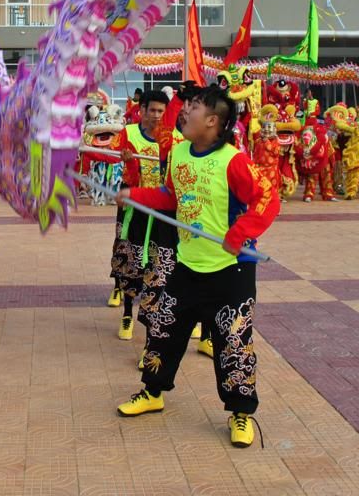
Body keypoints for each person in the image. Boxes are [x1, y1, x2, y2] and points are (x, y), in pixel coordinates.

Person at [114, 86, 279, 448]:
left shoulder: (234, 161)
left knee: (233, 342)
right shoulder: (179, 154)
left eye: (193, 106)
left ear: (213, 121)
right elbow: (171, 198)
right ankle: (153, 391)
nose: (183, 112)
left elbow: (268, 198)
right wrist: (135, 195)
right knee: (163, 330)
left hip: (230, 270)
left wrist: (240, 234)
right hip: (186, 265)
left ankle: (240, 412)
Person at [107, 89, 170, 341]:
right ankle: (127, 312)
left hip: (160, 204)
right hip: (133, 202)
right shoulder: (128, 132)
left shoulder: (171, 138)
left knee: (157, 260)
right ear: (141, 109)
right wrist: (126, 159)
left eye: (161, 111)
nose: (156, 116)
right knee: (128, 254)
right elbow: (107, 154)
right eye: (152, 110)